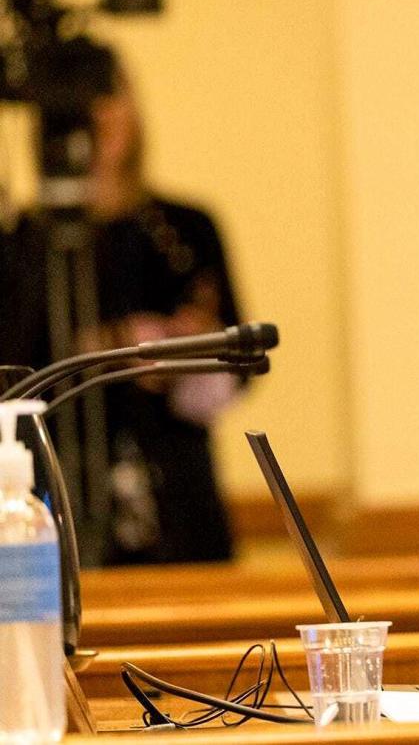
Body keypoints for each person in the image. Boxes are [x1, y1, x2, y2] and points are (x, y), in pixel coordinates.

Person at [0, 63, 243, 564]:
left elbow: (240, 363)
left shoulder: (183, 230)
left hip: (176, 506)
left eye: (109, 95)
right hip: (47, 508)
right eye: (81, 105)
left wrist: (174, 350)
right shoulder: (20, 245)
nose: (98, 116)